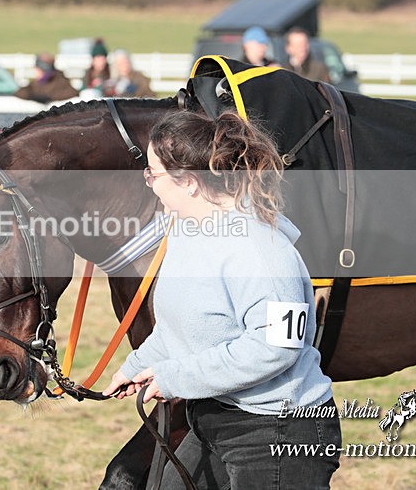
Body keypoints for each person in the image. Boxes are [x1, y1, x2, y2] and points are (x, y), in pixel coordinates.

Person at [103, 110, 341, 489]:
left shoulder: (261, 251)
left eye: (154, 173)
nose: (148, 183)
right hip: (215, 418)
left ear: (190, 183)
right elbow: (181, 327)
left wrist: (174, 378)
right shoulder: (185, 234)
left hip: (277, 431)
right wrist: (137, 366)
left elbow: (276, 348)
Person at [14, 52, 78, 103]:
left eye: (37, 69)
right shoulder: (36, 83)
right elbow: (20, 93)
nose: (35, 71)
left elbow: (72, 93)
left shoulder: (60, 81)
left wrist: (48, 98)